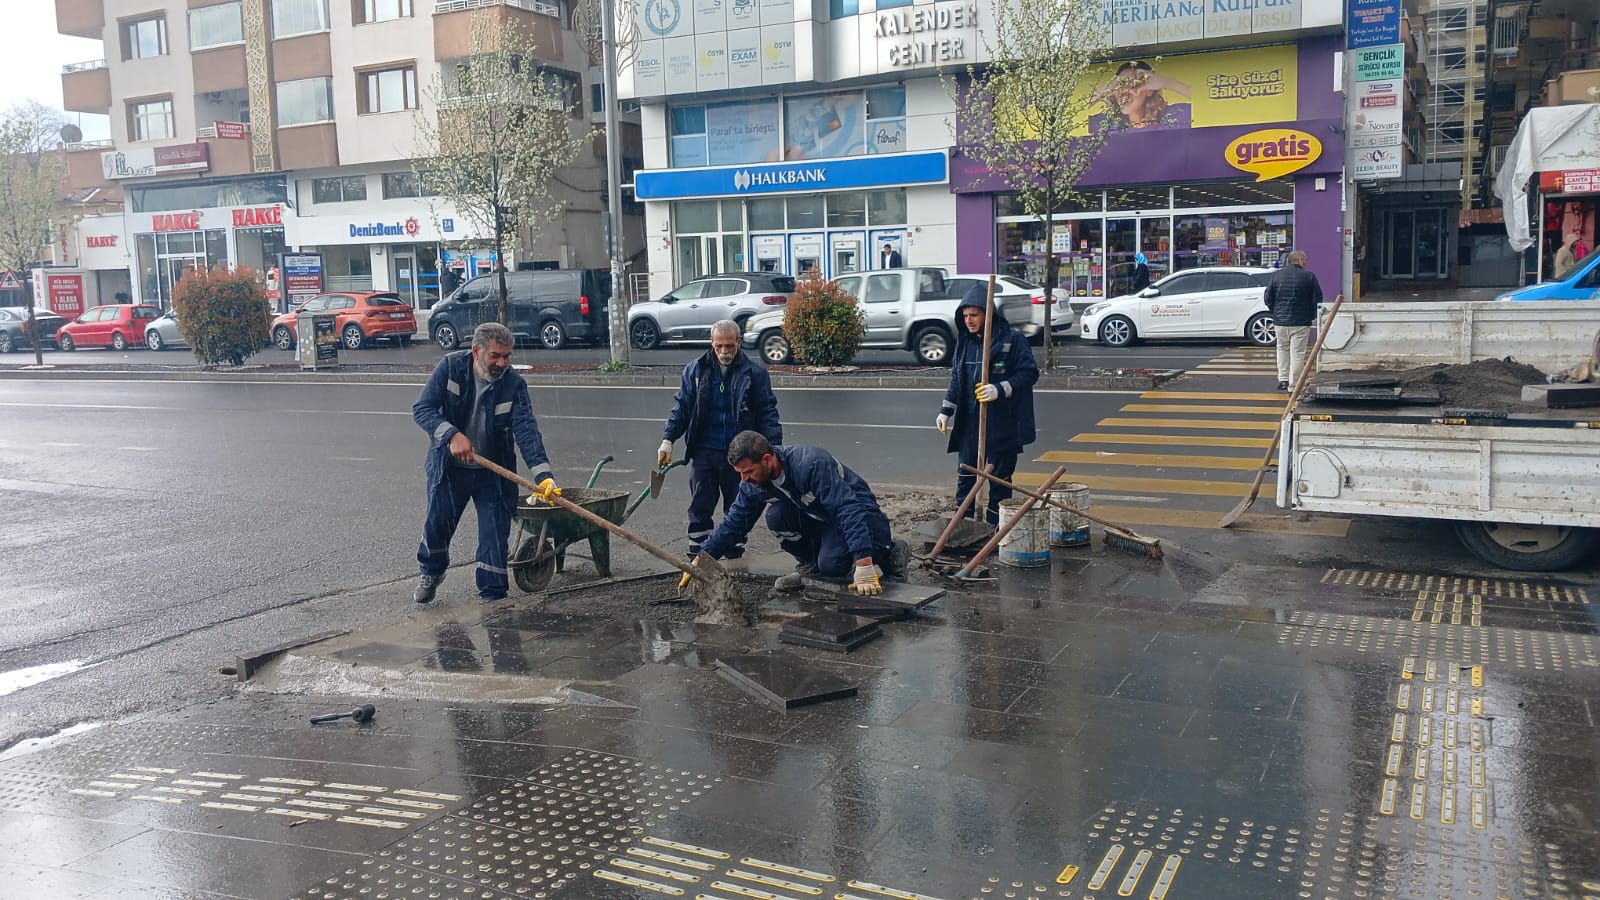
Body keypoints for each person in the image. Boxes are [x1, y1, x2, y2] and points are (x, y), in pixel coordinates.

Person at [411, 322, 559, 604]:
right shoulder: (451, 368)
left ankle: (494, 598)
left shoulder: (513, 385)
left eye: (507, 356)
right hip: (450, 468)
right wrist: (452, 435)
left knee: (494, 537)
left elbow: (527, 431)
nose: (502, 363)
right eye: (495, 356)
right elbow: (423, 409)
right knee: (437, 525)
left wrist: (544, 477)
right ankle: (432, 571)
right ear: (476, 351)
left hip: (494, 473)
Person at [697, 431, 910, 596]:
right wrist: (702, 559)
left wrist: (863, 563)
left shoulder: (811, 465)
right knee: (777, 517)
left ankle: (892, 554)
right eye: (740, 473)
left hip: (861, 514)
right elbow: (735, 522)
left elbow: (848, 510)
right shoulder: (753, 484)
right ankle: (811, 567)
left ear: (768, 460)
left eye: (748, 471)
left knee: (833, 565)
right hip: (821, 516)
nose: (744, 479)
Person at [658, 319, 782, 559]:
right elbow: (682, 407)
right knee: (700, 504)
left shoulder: (754, 374)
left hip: (741, 455)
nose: (724, 352)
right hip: (705, 450)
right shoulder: (695, 370)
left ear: (739, 343)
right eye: (719, 347)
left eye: (729, 346)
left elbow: (768, 413)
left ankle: (733, 552)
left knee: (737, 504)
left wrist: (773, 449)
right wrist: (668, 439)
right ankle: (698, 555)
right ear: (711, 344)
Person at [936, 285, 1039, 525]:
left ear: (987, 314)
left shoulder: (1013, 341)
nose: (969, 321)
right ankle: (964, 526)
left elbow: (1028, 374)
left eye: (974, 315)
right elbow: (957, 379)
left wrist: (999, 389)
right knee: (966, 477)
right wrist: (945, 411)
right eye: (965, 316)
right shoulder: (965, 343)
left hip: (1002, 426)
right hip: (970, 425)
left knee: (999, 481)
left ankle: (996, 530)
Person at [1263, 249, 1324, 392]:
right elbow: (1317, 299)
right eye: (1305, 260)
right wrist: (1310, 315)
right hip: (1301, 322)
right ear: (1299, 260)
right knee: (1297, 353)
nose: (1306, 262)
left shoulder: (1276, 276)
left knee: (1282, 349)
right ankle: (1293, 385)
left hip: (1280, 321)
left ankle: (1283, 379)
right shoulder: (1309, 276)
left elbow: (1268, 298)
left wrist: (1275, 312)